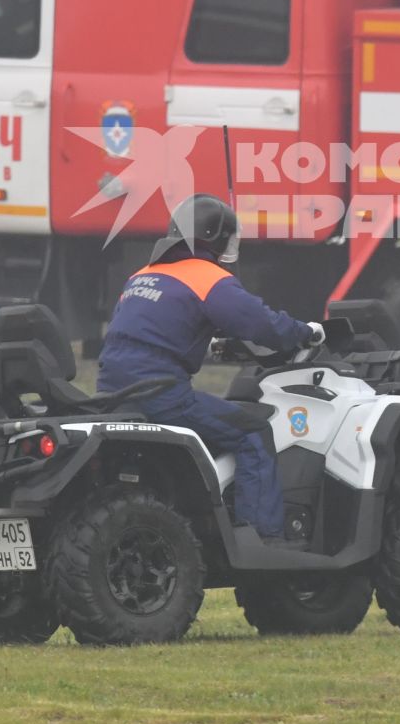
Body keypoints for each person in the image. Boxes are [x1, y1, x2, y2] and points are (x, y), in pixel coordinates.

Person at [96, 194, 324, 543]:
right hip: (162, 396)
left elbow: (162, 326)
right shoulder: (207, 278)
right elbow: (263, 325)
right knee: (252, 432)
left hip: (112, 392)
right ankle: (261, 540)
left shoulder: (143, 275)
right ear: (215, 239)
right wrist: (305, 332)